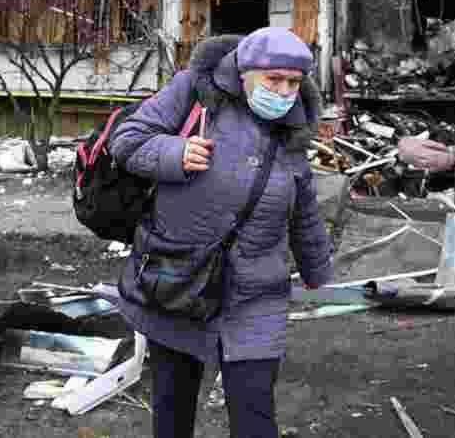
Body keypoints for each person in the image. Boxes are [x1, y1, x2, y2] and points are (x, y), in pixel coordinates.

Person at [110, 27, 334, 438]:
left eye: (294, 82)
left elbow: (303, 204)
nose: (284, 92)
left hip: (255, 292)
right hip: (180, 280)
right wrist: (174, 153)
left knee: (255, 419)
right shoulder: (194, 91)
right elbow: (125, 140)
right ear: (244, 72)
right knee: (173, 411)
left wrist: (317, 267)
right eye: (273, 80)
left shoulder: (295, 125)